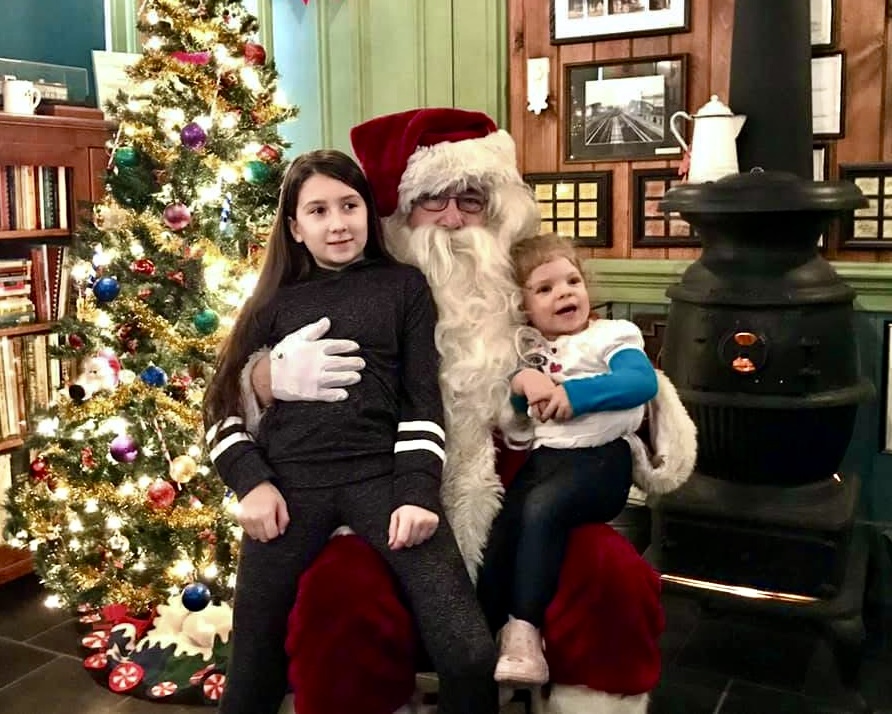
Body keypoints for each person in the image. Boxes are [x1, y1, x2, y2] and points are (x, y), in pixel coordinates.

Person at [240, 108, 687, 714]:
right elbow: (236, 389)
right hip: (377, 513)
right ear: (397, 212)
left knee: (613, 574)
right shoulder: (346, 293)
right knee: (335, 594)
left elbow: (597, 353)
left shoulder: (522, 292)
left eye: (470, 201)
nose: (453, 219)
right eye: (433, 200)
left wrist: (630, 399)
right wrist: (265, 380)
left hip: (524, 515)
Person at [203, 149, 498, 714]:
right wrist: (251, 483)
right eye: (318, 211)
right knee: (251, 673)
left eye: (349, 205)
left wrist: (417, 492)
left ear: (368, 212)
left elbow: (421, 400)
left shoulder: (404, 287)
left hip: (382, 482)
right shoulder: (270, 302)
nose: (337, 223)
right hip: (289, 490)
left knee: (468, 650)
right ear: (295, 227)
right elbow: (218, 407)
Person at [477, 233, 658, 686]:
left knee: (544, 509)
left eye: (572, 281)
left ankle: (525, 632)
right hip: (548, 460)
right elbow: (521, 416)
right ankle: (480, 629)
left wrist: (574, 395)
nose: (564, 293)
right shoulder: (531, 352)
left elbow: (641, 382)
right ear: (524, 307)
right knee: (505, 520)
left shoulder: (609, 336)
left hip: (602, 460)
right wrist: (523, 386)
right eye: (545, 288)